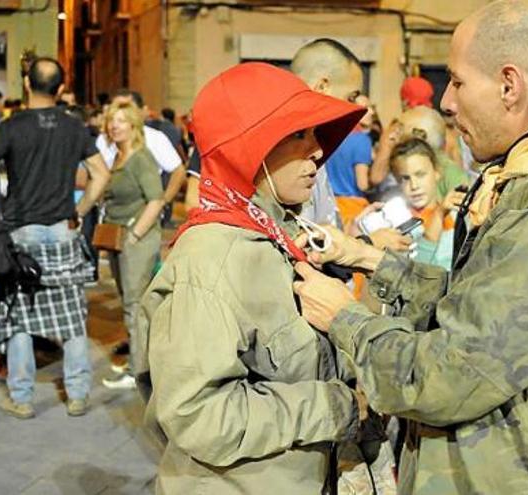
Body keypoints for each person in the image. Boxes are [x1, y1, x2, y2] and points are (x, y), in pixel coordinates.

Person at [292, 1, 528, 492]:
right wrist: (371, 260)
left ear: (510, 85)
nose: (446, 101)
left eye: (458, 81)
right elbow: (483, 306)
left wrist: (345, 320)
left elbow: (449, 375)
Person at [139, 62, 366, 494]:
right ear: (251, 148)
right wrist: (335, 407)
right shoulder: (213, 257)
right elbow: (196, 414)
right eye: (299, 135)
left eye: (315, 134)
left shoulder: (275, 233)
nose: (318, 151)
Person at [0, 57, 110, 419]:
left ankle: (22, 396)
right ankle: (77, 394)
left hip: (22, 232)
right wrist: (81, 210)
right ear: (60, 89)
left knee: (20, 317)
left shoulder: (10, 126)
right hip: (64, 228)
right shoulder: (74, 126)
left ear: (27, 85)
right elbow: (100, 173)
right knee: (72, 315)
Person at [98, 101, 165, 390]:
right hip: (119, 237)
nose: (115, 126)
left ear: (134, 126)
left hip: (136, 239)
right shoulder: (118, 157)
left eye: (122, 121)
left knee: (134, 305)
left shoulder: (140, 157)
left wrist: (136, 234)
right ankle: (141, 364)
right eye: (112, 121)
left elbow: (156, 199)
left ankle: (140, 372)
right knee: (131, 302)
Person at [291, 38, 364, 228]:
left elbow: (325, 226)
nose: (355, 108)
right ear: (322, 87)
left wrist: (355, 232)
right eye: (351, 97)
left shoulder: (316, 146)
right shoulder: (284, 151)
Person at [389, 138, 456, 269]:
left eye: (420, 175)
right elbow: (416, 272)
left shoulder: (456, 215)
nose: (414, 186)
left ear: (437, 172)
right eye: (405, 178)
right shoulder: (394, 225)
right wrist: (439, 215)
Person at [325, 95, 373, 227]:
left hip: (330, 204)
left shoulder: (330, 136)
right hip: (353, 207)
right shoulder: (362, 140)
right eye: (366, 108)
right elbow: (362, 184)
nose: (372, 112)